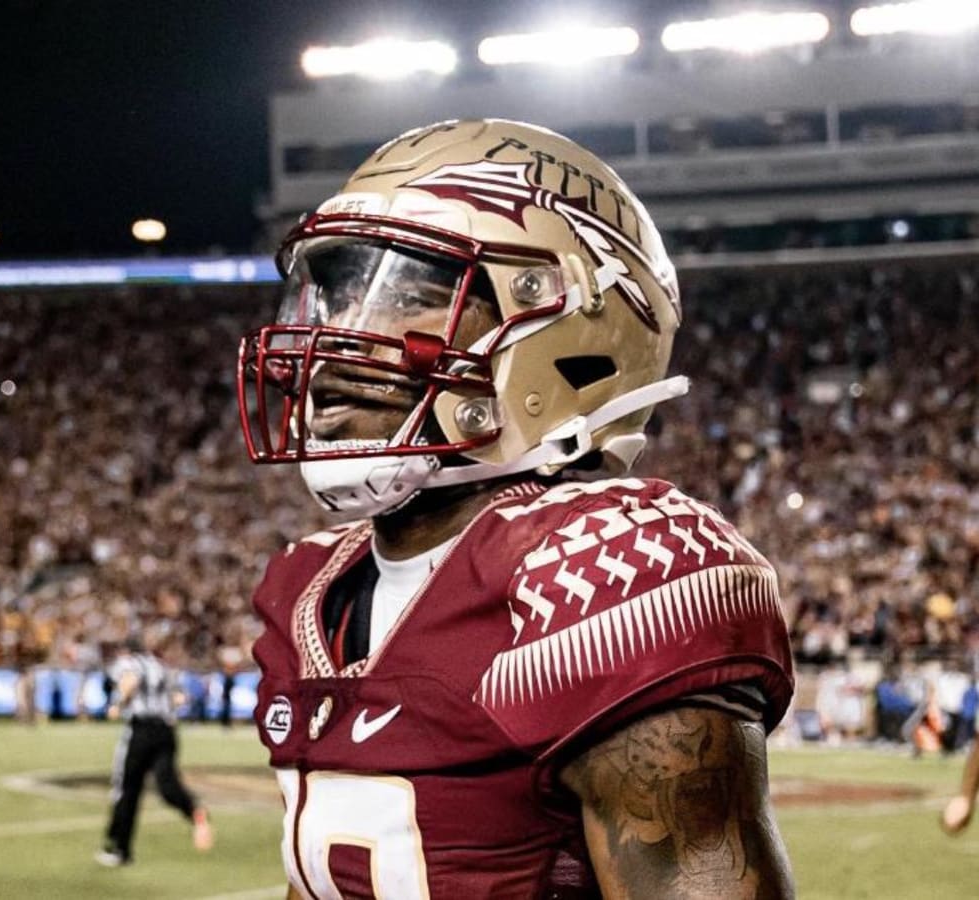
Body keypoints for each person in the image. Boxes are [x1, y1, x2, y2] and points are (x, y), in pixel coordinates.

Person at [237, 119, 796, 897]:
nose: (334, 335)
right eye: (331, 294)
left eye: (405, 295)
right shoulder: (310, 589)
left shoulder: (609, 573)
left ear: (564, 329)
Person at [95, 635, 213, 867]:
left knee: (127, 790)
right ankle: (193, 809)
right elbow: (179, 698)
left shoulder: (130, 663)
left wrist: (117, 704)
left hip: (141, 731)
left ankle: (120, 848)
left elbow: (129, 682)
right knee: (168, 785)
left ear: (126, 651)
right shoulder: (160, 666)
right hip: (166, 731)